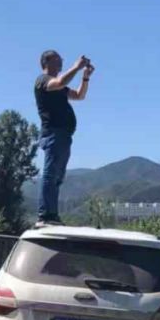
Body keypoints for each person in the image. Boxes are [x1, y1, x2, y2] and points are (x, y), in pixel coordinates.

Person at [34, 50, 95, 226]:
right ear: (47, 62)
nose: (61, 63)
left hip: (63, 135)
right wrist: (76, 67)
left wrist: (85, 77)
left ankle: (51, 214)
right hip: (54, 133)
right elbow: (60, 82)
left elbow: (79, 96)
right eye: (58, 60)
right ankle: (45, 215)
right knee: (51, 174)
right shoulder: (43, 80)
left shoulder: (59, 86)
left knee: (57, 177)